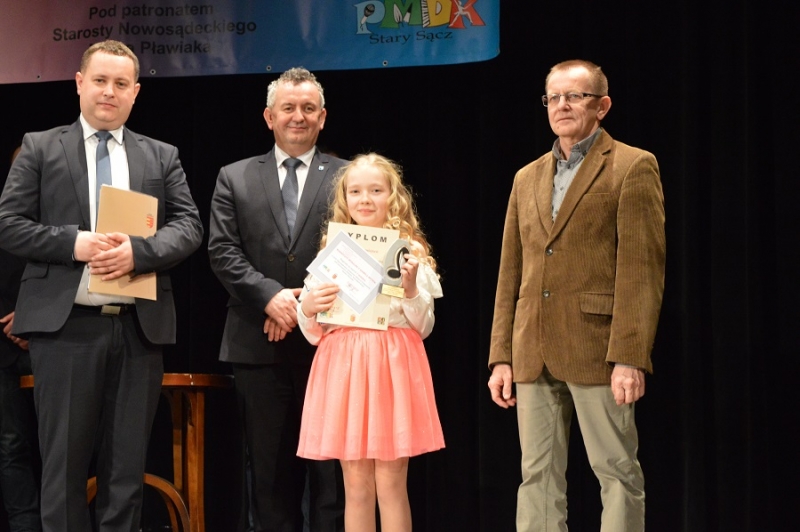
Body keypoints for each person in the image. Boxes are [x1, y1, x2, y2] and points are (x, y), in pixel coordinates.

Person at [0, 40, 203, 531]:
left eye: (120, 83)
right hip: (66, 328)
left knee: (125, 473)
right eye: (100, 81)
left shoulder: (161, 155)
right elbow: (9, 224)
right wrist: (74, 243)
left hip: (138, 330)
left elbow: (190, 226)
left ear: (135, 92)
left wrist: (139, 252)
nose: (109, 92)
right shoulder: (40, 147)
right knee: (64, 471)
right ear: (79, 83)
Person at [487, 59, 666, 531]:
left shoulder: (632, 165)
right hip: (532, 349)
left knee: (616, 471)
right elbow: (511, 272)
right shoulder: (526, 177)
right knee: (537, 476)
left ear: (602, 106)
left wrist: (630, 356)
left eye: (575, 96)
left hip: (598, 347)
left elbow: (641, 271)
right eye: (554, 97)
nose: (562, 106)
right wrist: (501, 355)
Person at [208, 67, 345, 532]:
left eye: (308, 108)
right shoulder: (234, 176)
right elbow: (222, 252)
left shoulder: (348, 177)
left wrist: (300, 306)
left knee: (332, 477)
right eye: (288, 108)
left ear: (323, 117)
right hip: (257, 344)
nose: (298, 117)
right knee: (268, 477)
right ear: (269, 116)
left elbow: (357, 252)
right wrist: (271, 298)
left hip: (330, 344)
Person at [296, 153, 445, 532]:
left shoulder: (409, 252)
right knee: (356, 487)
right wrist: (308, 307)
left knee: (391, 484)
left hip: (391, 366)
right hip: (345, 368)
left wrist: (410, 290)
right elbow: (314, 331)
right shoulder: (333, 251)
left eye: (376, 191)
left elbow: (424, 326)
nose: (365, 199)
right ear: (345, 198)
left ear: (392, 197)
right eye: (356, 191)